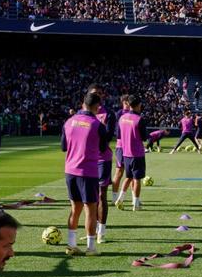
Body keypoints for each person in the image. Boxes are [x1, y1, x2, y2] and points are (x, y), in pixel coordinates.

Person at [61, 91, 109, 256]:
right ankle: (91, 247)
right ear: (97, 106)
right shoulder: (98, 126)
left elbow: (63, 147)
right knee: (91, 209)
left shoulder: (69, 122)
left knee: (75, 209)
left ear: (83, 103)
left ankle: (71, 244)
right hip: (88, 172)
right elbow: (103, 149)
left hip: (70, 170)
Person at [88, 84, 117, 245]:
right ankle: (91, 229)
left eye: (99, 94)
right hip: (86, 160)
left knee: (101, 195)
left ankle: (101, 231)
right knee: (89, 198)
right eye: (94, 94)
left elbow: (107, 139)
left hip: (101, 159)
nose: (97, 96)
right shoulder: (83, 114)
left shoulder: (109, 114)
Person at [114, 95, 149, 211]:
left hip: (126, 153)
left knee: (128, 177)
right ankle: (136, 204)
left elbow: (118, 135)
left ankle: (120, 198)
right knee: (137, 179)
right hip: (137, 154)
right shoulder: (139, 119)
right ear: (138, 105)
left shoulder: (122, 118)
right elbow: (144, 137)